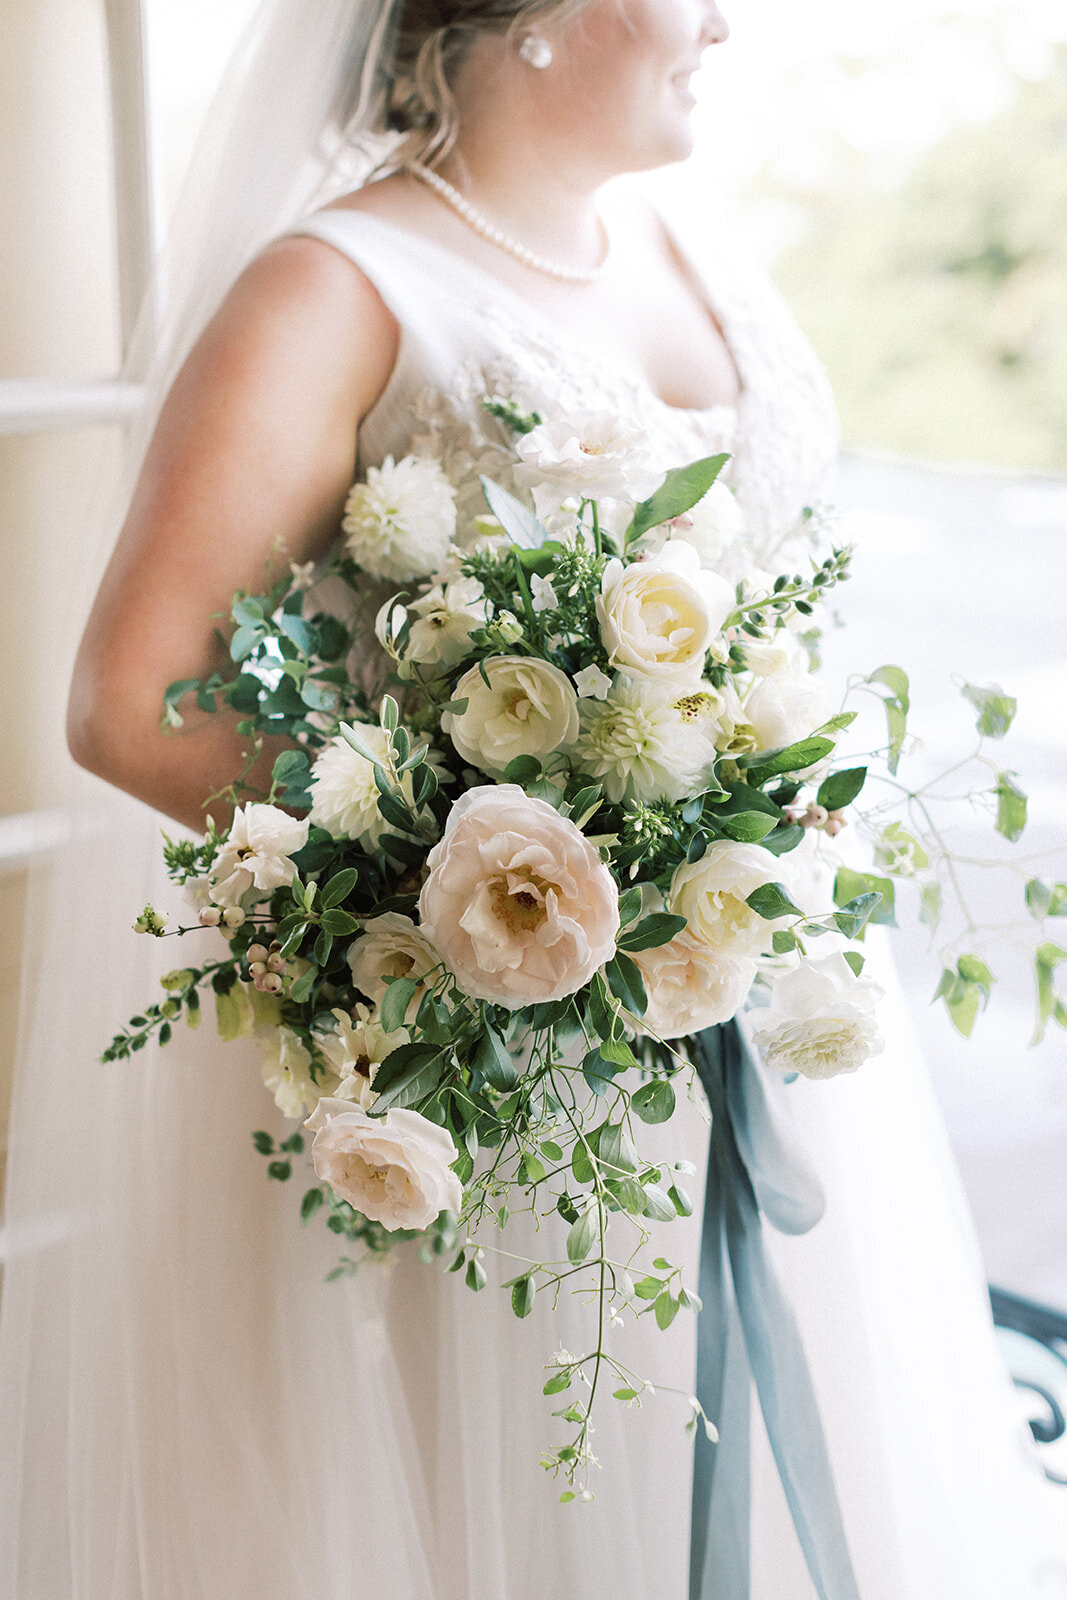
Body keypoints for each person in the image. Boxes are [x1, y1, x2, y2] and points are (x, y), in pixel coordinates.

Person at [1, 1, 1062, 1596]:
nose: (723, 19)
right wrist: (529, 869)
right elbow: (133, 699)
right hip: (511, 1067)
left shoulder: (683, 236)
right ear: (535, 20)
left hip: (767, 1015)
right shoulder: (336, 289)